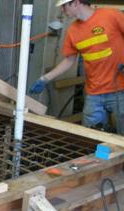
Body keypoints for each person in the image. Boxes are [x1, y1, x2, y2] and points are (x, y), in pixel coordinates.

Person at [29, 0, 124, 134]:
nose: (62, 10)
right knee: (92, 136)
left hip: (120, 89)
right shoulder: (73, 31)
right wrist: (45, 79)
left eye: (64, 6)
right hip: (94, 93)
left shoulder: (111, 15)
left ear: (75, 3)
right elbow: (69, 60)